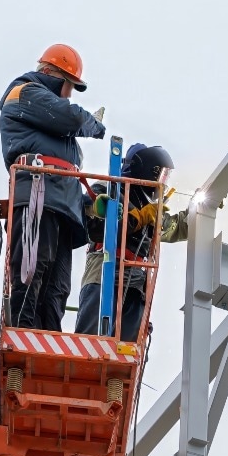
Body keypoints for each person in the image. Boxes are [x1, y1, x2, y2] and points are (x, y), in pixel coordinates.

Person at [0, 43, 107, 330]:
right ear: (51, 73)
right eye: (68, 85)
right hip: (39, 192)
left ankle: (47, 334)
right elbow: (71, 117)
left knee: (57, 283)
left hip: (61, 202)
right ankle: (23, 331)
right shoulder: (24, 92)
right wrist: (93, 124)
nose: (69, 93)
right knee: (33, 268)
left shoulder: (57, 133)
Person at [76, 143, 183, 342]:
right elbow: (96, 226)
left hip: (134, 275)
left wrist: (202, 213)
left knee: (127, 340)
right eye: (161, 176)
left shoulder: (150, 211)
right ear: (147, 171)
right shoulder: (108, 190)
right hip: (104, 264)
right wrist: (136, 218)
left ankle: (117, 366)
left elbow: (174, 227)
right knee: (90, 336)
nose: (163, 183)